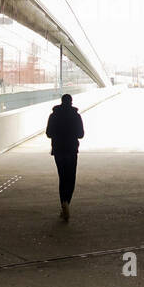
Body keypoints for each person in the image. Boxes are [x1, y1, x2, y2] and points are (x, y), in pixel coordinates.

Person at [45, 93, 84, 221]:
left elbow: (49, 133)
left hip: (58, 150)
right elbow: (81, 134)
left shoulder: (53, 115)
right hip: (71, 150)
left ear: (61, 102)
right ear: (71, 102)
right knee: (71, 178)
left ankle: (63, 204)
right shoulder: (76, 116)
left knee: (62, 178)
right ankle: (67, 202)